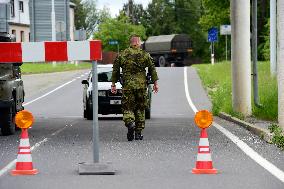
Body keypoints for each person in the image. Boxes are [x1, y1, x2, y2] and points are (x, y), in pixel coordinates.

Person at [111, 35, 159, 141]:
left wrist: (113, 84)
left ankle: (130, 123)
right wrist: (155, 83)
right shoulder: (145, 54)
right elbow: (152, 69)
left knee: (128, 108)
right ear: (138, 42)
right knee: (140, 109)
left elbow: (115, 70)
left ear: (131, 43)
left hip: (128, 87)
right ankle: (138, 133)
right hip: (141, 87)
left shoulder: (122, 54)